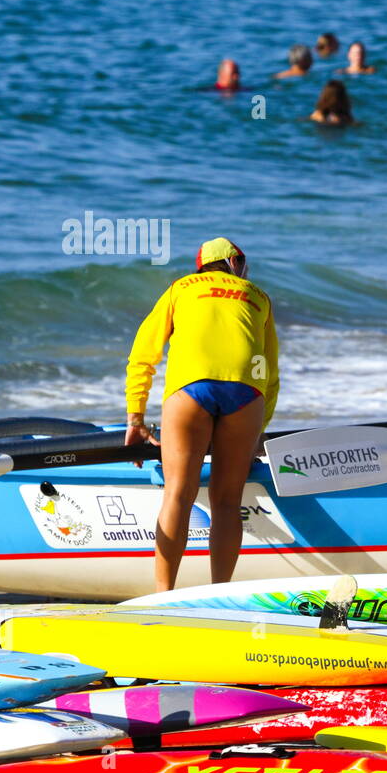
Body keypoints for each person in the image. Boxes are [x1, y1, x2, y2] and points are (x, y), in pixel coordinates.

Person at [124, 237, 279, 593]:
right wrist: (259, 430)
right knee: (227, 501)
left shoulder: (180, 288)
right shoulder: (258, 296)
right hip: (246, 394)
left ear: (202, 267)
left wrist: (136, 417)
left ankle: (164, 595)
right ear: (235, 264)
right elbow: (270, 373)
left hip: (191, 390)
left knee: (178, 493)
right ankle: (218, 593)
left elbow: (143, 355)